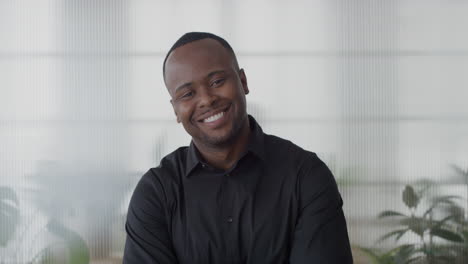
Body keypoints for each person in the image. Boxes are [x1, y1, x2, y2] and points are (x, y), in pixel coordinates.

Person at [123, 32, 353, 264]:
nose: (206, 99)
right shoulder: (157, 192)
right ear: (175, 110)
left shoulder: (306, 176)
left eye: (216, 82)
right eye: (188, 94)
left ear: (243, 81)